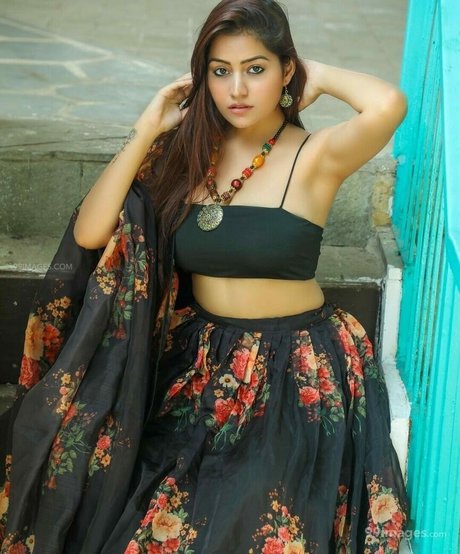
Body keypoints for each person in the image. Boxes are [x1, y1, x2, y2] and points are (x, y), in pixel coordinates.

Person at [0, 0, 410, 552]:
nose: (237, 89)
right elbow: (92, 232)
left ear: (286, 71)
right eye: (221, 71)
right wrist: (147, 129)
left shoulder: (316, 155)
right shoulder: (188, 157)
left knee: (247, 514)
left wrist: (315, 73)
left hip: (293, 367)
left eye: (256, 69)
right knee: (138, 507)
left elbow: (388, 104)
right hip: (201, 361)